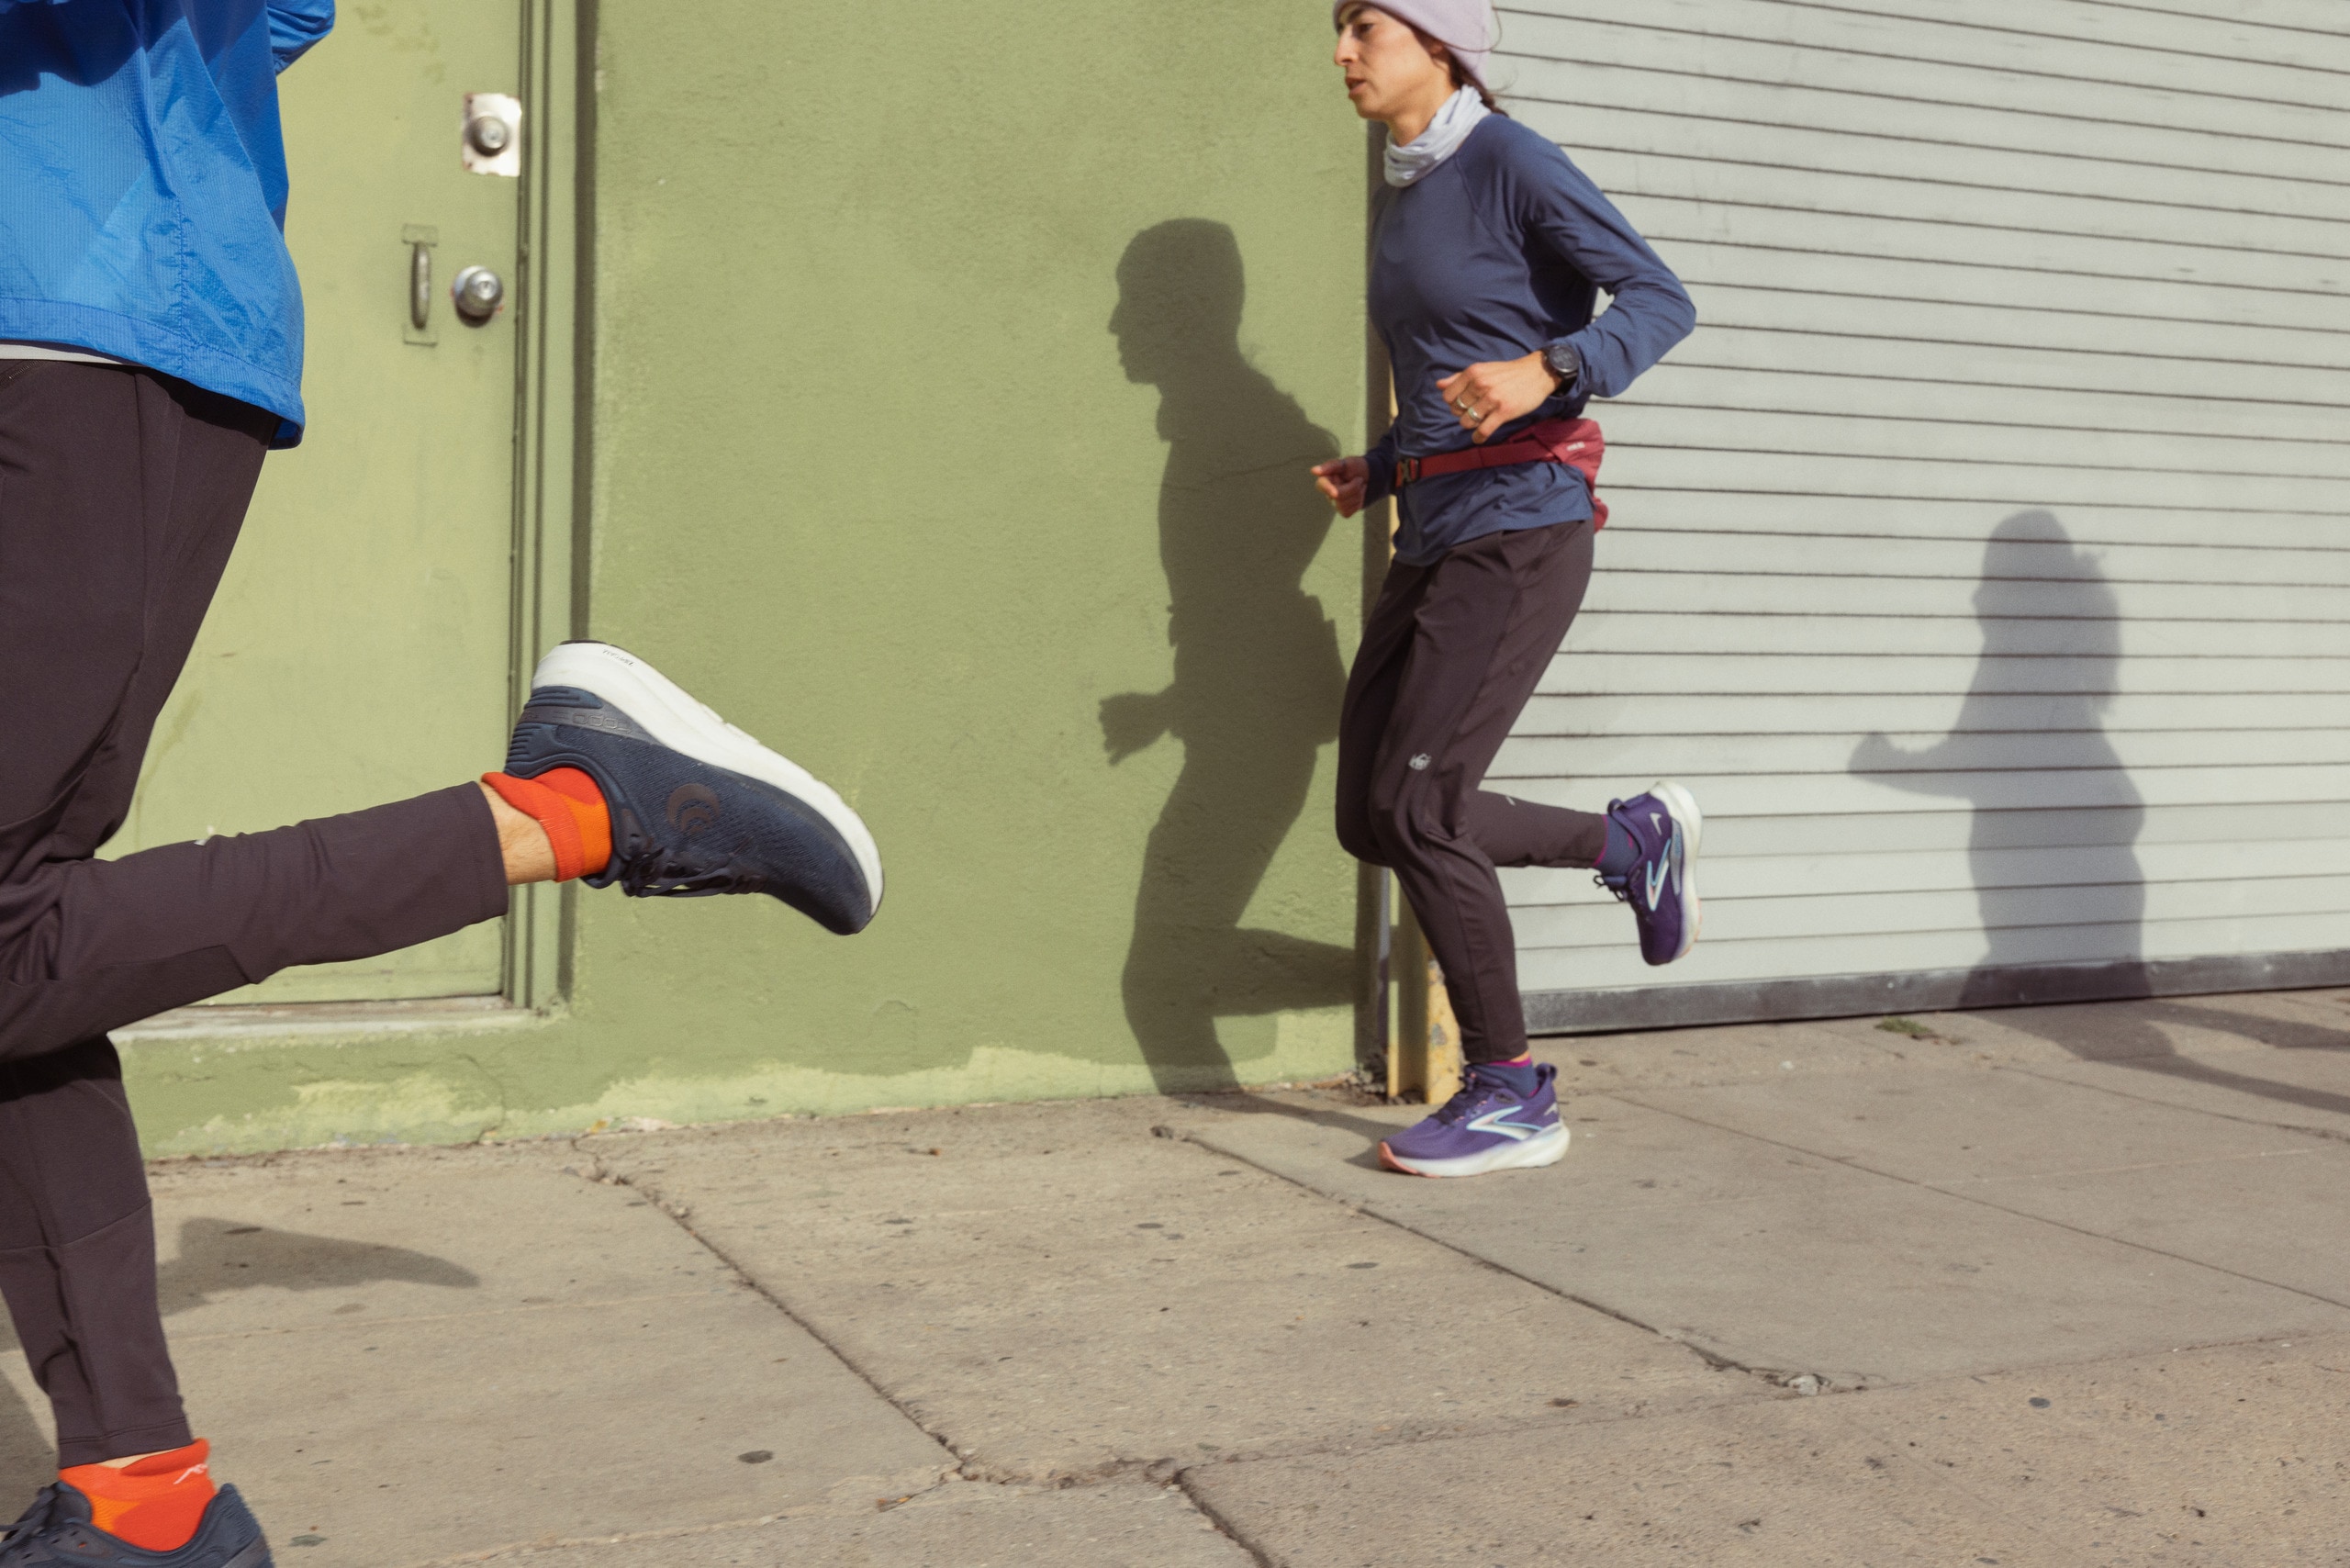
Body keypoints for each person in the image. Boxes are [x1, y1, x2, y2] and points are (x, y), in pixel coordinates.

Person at [0, 5, 881, 1564]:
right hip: (85, 295)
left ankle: (579, 806)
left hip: (72, 302)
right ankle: (144, 1491)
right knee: (18, 947)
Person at [1312, 0, 1698, 1179]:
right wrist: (1381, 471)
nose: (1339, 53)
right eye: (1335, 29)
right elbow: (1448, 361)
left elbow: (1658, 301)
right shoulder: (1403, 188)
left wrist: (1554, 365)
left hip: (1521, 530)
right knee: (1372, 815)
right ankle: (1626, 840)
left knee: (1423, 809)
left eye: (1363, 28)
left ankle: (1512, 1090)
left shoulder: (1511, 161)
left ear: (1438, 44)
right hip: (1435, 526)